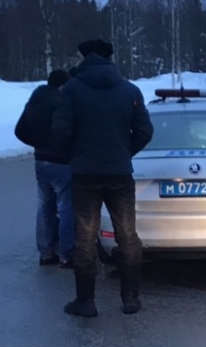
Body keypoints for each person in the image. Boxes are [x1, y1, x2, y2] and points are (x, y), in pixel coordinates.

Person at [53, 39, 154, 317]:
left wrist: (76, 155)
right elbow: (145, 131)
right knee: (127, 235)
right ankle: (130, 298)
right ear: (110, 57)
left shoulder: (71, 91)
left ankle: (86, 301)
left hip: (85, 175)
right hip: (120, 174)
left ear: (82, 57)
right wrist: (123, 152)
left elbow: (60, 133)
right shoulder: (129, 90)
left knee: (85, 237)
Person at [15, 69, 74, 268]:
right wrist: (61, 147)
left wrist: (39, 144)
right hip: (61, 161)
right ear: (62, 85)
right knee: (66, 206)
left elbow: (19, 130)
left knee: (45, 206)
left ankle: (46, 252)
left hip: (41, 160)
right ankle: (67, 253)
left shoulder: (34, 100)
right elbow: (66, 131)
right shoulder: (61, 102)